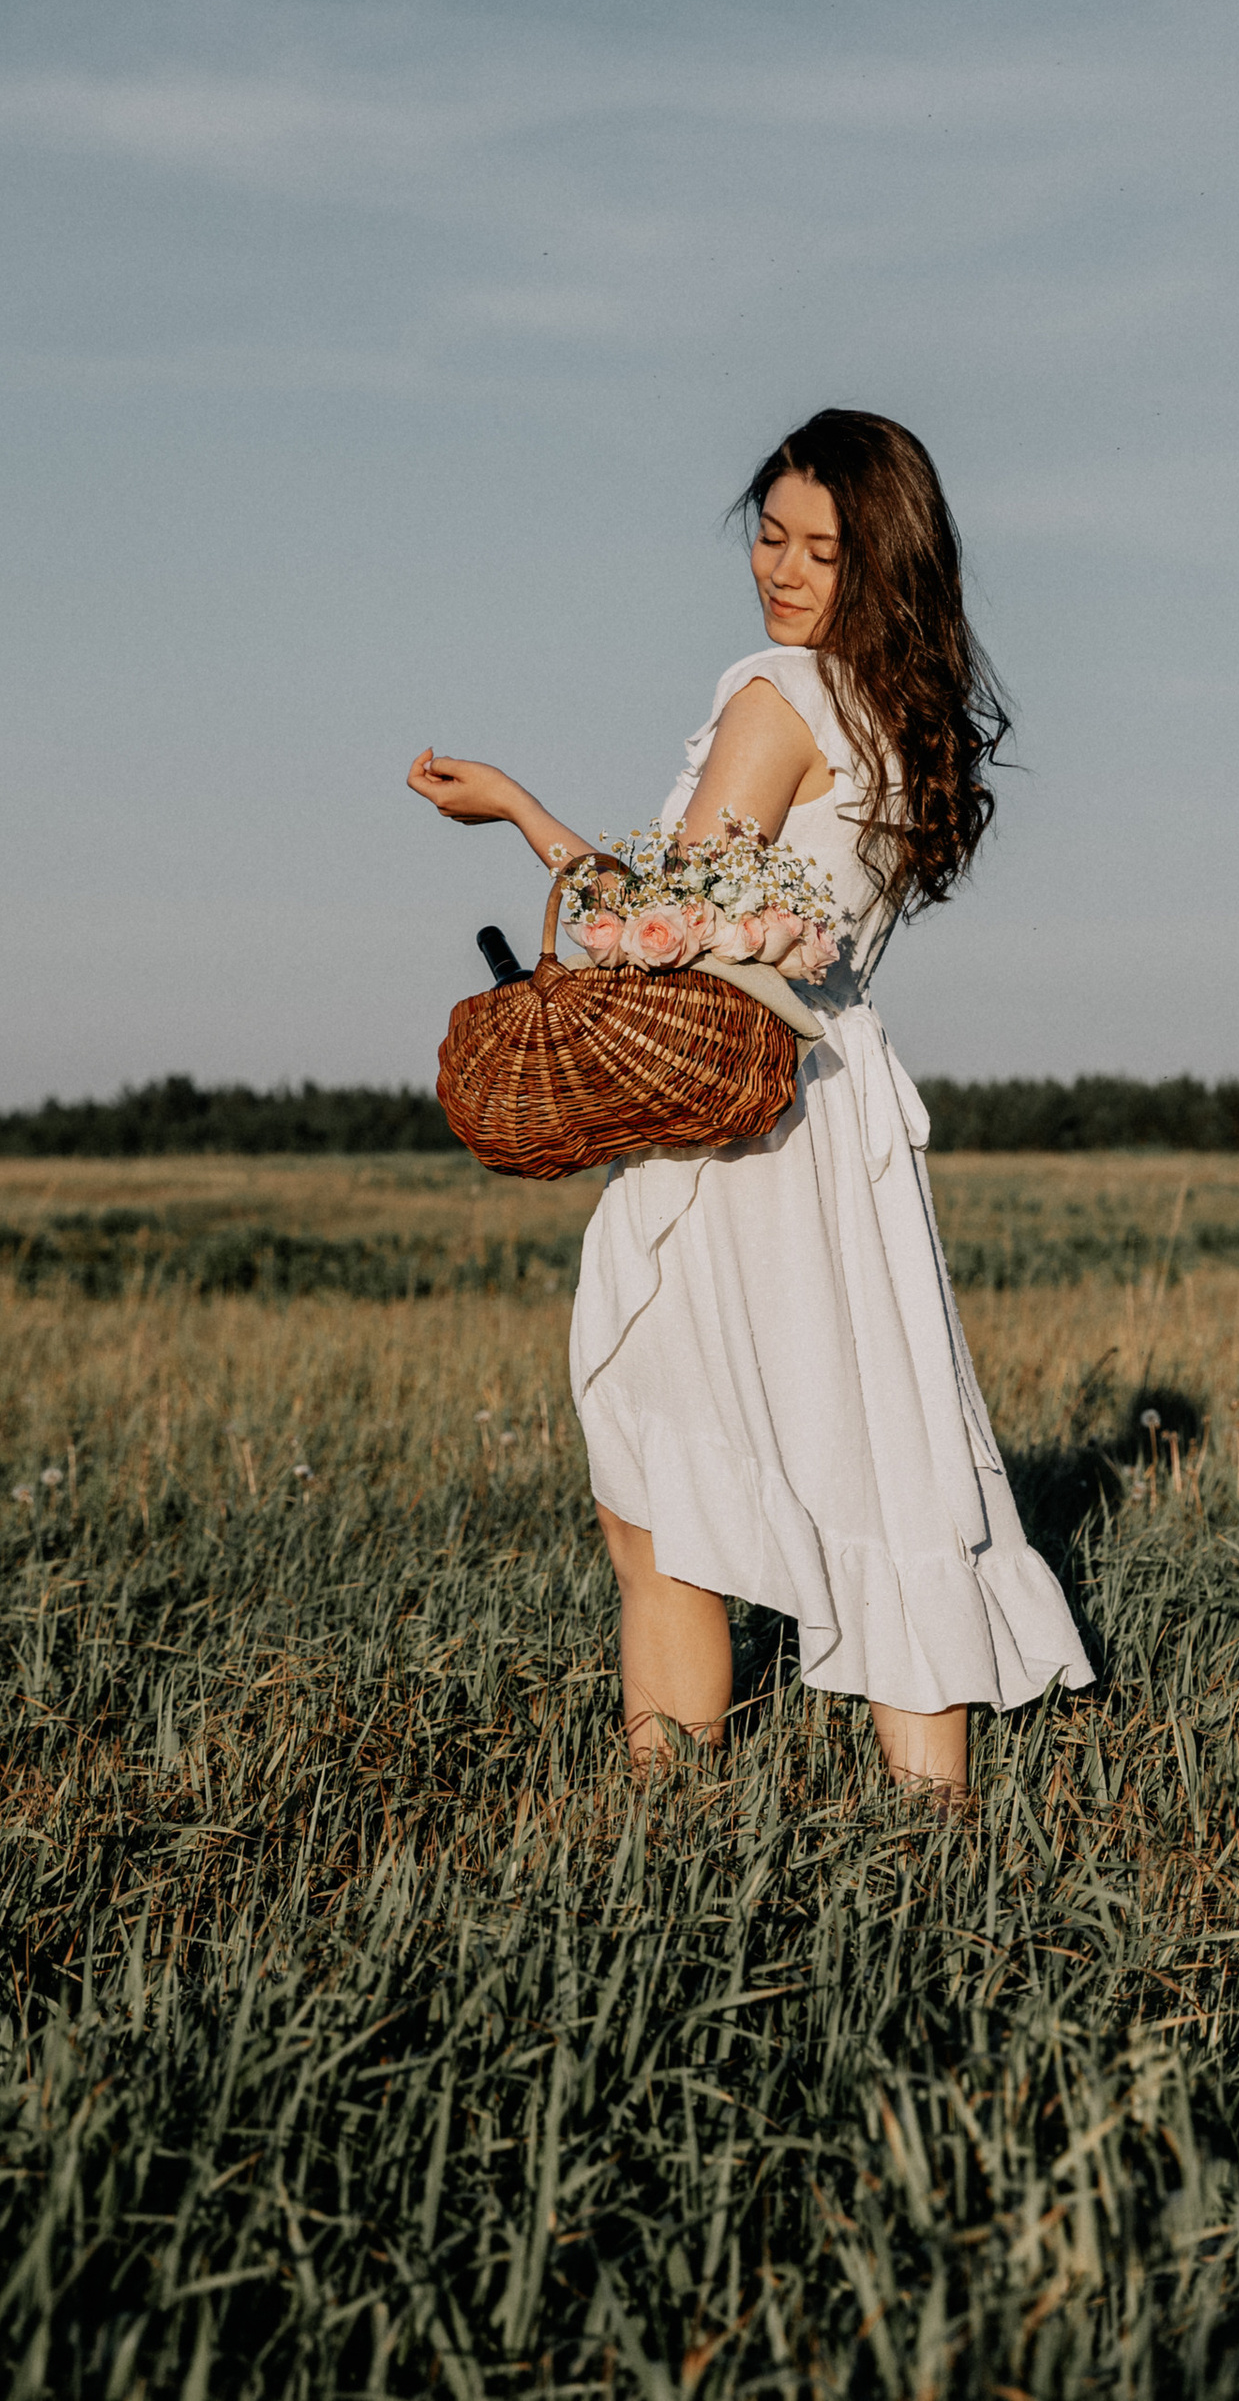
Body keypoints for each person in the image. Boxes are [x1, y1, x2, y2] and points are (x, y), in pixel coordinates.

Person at [407, 409, 1093, 1787]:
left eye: (822, 552)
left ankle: (666, 1832)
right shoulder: (900, 720)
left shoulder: (778, 696)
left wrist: (526, 818)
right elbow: (740, 914)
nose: (782, 571)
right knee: (885, 1466)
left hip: (732, 1120)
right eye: (770, 536)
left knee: (655, 1495)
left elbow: (668, 925)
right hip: (836, 1109)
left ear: (883, 565)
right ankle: (941, 1838)